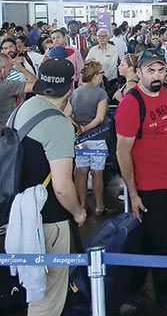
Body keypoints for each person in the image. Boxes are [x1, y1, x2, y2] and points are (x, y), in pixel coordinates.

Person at [115, 48, 167, 315]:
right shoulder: (132, 103)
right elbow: (122, 151)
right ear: (138, 72)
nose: (157, 75)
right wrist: (133, 192)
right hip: (150, 188)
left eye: (160, 70)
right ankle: (165, 297)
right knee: (164, 244)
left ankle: (132, 287)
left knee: (151, 240)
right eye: (150, 70)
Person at [6, 58, 85, 315]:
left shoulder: (23, 109)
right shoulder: (58, 124)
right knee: (48, 298)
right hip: (49, 220)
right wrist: (78, 212)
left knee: (31, 292)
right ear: (70, 87)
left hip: (19, 213)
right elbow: (62, 186)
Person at [66, 60, 109, 216]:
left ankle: (82, 204)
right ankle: (99, 206)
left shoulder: (76, 92)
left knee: (81, 171)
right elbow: (99, 118)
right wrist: (85, 128)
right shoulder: (101, 93)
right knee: (97, 173)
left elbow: (66, 114)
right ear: (96, 76)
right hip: (97, 138)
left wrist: (78, 127)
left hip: (80, 140)